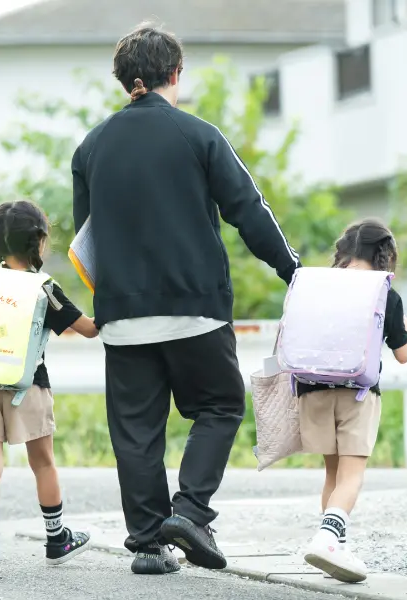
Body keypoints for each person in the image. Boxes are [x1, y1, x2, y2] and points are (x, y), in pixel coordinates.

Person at [70, 22, 302, 575]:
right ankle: (192, 511)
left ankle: (149, 544)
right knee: (220, 406)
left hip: (123, 316)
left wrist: (113, 300)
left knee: (136, 431)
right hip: (195, 307)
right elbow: (249, 209)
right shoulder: (199, 135)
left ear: (125, 81)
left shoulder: (90, 148)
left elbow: (86, 236)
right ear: (175, 74)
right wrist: (291, 270)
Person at [0, 200, 98, 574]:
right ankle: (57, 539)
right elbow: (87, 328)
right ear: (38, 242)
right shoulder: (42, 287)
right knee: (43, 462)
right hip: (27, 386)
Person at [298, 218, 407, 583]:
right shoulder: (383, 291)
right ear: (384, 254)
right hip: (358, 393)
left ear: (345, 252)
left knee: (332, 474)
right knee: (352, 477)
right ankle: (328, 540)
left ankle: (335, 548)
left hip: (313, 389)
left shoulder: (320, 285)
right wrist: (405, 324)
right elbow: (404, 354)